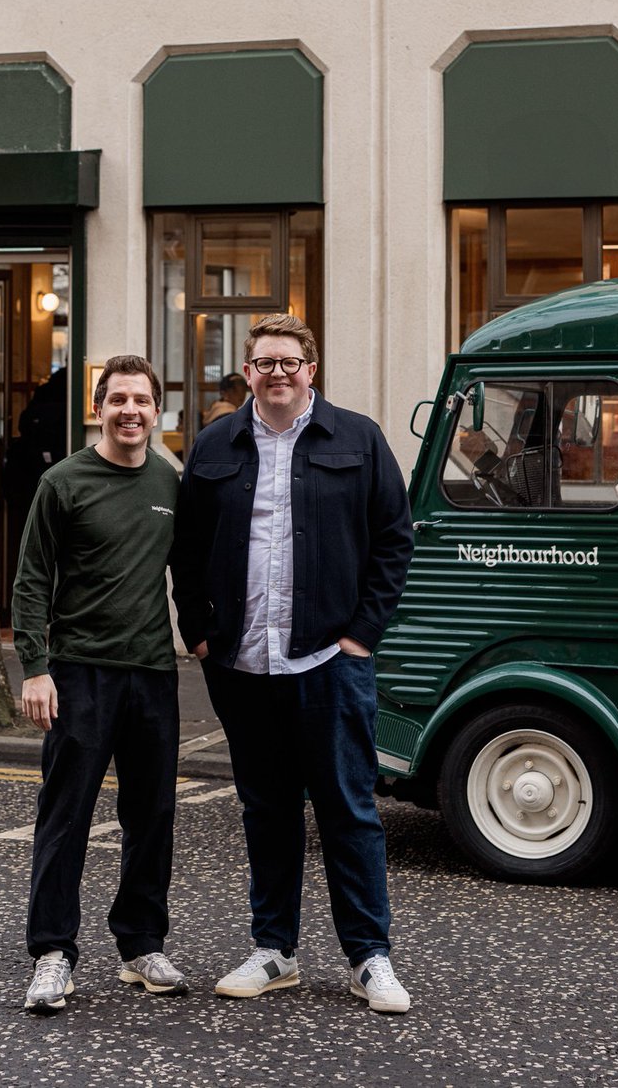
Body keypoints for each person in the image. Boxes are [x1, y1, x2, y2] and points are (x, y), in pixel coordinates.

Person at [171, 314, 415, 1012]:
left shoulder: (358, 439)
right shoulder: (216, 443)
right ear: (247, 372)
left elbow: (394, 541)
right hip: (244, 664)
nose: (277, 373)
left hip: (329, 661)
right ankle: (273, 950)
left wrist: (363, 635)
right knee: (266, 811)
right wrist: (199, 631)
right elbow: (186, 550)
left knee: (349, 811)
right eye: (264, 362)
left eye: (290, 362)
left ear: (312, 370)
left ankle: (370, 958)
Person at [13, 353, 184, 1015]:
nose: (130, 412)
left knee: (153, 816)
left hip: (152, 674)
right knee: (66, 817)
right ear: (99, 407)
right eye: (118, 400)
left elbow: (191, 574)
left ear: (155, 410)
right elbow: (31, 580)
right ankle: (52, 953)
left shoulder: (170, 483)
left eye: (141, 400)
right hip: (79, 674)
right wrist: (35, 667)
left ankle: (141, 945)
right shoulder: (62, 482)